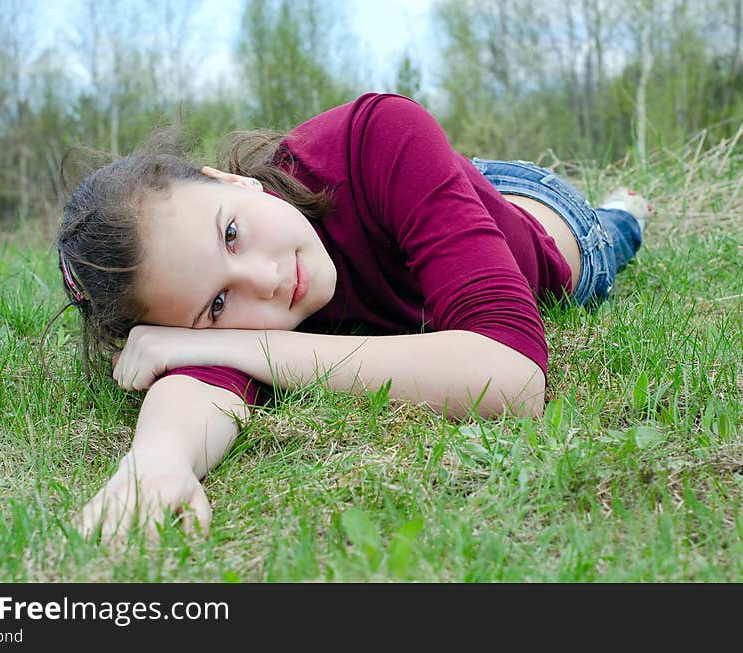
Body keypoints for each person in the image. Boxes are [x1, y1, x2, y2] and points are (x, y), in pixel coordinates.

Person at [54, 93, 651, 540]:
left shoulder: (379, 131)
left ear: (230, 179)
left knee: (616, 237)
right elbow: (198, 386)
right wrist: (157, 461)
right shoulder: (245, 297)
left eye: (231, 233)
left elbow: (513, 377)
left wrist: (242, 346)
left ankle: (624, 209)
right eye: (216, 306)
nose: (267, 281)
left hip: (546, 223)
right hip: (436, 186)